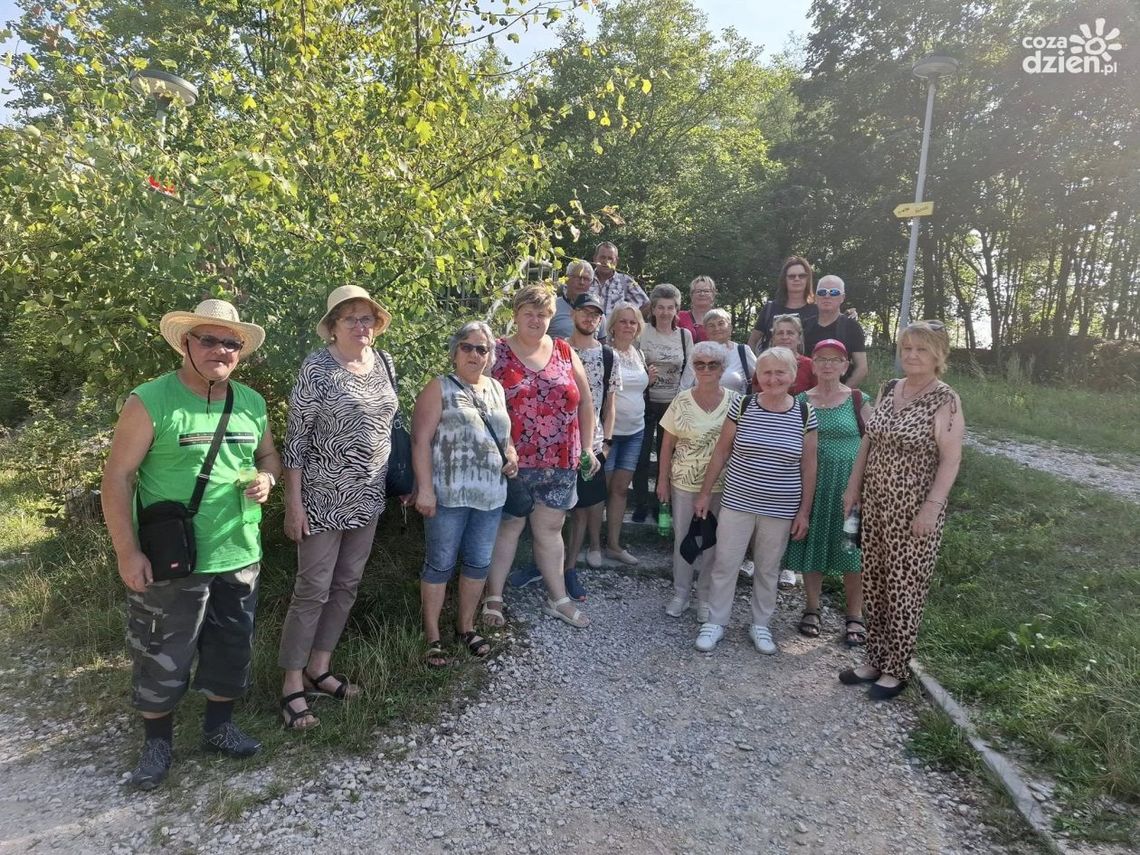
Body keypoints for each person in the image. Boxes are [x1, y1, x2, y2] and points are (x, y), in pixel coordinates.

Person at [101, 299, 280, 789]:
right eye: (208, 339)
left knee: (231, 647)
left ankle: (218, 729)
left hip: (239, 551)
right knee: (162, 650)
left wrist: (268, 478)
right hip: (171, 556)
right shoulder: (151, 400)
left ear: (239, 352)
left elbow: (269, 456)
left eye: (230, 342)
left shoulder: (251, 403)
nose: (219, 349)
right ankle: (157, 743)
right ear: (186, 343)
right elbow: (117, 478)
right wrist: (126, 551)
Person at [278, 285, 398, 730]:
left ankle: (319, 668)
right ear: (332, 327)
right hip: (322, 498)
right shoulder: (316, 368)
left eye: (366, 317)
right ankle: (291, 683)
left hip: (368, 495)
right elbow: (295, 443)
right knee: (312, 589)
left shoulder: (384, 363)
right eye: (350, 318)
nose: (361, 325)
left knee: (347, 584)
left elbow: (389, 424)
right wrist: (293, 505)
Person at [840, 321, 964, 700]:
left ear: (938, 355)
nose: (911, 355)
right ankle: (874, 659)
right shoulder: (889, 388)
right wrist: (853, 486)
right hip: (876, 504)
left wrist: (931, 508)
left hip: (913, 512)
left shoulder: (946, 400)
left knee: (904, 587)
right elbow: (869, 442)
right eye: (907, 347)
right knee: (875, 580)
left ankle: (897, 668)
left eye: (921, 349)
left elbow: (951, 460)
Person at [482, 284, 598, 629]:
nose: (535, 319)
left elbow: (587, 402)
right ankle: (494, 598)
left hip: (560, 461)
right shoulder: (497, 352)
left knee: (550, 529)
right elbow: (480, 402)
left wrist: (588, 447)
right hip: (512, 462)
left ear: (552, 317)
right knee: (508, 528)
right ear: (515, 315)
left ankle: (557, 598)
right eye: (528, 313)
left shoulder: (564, 350)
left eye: (542, 314)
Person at [693, 347, 818, 655]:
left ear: (792, 376)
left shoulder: (805, 412)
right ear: (757, 376)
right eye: (767, 372)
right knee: (726, 562)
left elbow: (809, 465)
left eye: (780, 372)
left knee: (768, 567)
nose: (773, 379)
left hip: (780, 506)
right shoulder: (743, 405)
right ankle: (716, 621)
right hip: (737, 500)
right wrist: (706, 493)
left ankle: (760, 624)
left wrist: (804, 511)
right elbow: (721, 451)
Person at [411, 321, 515, 667]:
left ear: (490, 355)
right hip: (447, 495)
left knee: (478, 563)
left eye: (481, 349)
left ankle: (466, 627)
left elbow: (504, 437)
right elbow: (420, 441)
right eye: (467, 347)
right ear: (455, 351)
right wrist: (425, 489)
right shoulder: (438, 388)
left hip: (490, 496)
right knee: (439, 564)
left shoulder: (497, 389)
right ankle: (432, 636)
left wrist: (511, 456)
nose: (474, 354)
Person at [783, 339, 871, 645]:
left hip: (851, 488)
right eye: (821, 359)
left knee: (852, 549)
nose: (828, 365)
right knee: (814, 541)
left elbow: (874, 444)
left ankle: (855, 615)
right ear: (812, 364)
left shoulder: (858, 399)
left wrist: (863, 485)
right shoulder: (800, 400)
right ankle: (812, 607)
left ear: (846, 366)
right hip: (813, 485)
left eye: (835, 359)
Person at [657, 341, 738, 619]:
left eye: (712, 364)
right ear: (693, 367)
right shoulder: (681, 400)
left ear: (722, 368)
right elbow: (666, 444)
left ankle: (704, 595)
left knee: (713, 542)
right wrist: (662, 481)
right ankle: (681, 593)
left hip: (722, 484)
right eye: (700, 364)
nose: (706, 369)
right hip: (683, 482)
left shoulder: (735, 402)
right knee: (683, 538)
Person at [563, 294, 619, 596]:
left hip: (591, 444)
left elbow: (611, 404)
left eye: (596, 314)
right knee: (550, 509)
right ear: (574, 314)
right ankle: (543, 564)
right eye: (585, 312)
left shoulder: (609, 355)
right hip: (555, 443)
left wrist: (606, 443)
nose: (590, 318)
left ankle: (569, 568)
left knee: (583, 509)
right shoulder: (556, 348)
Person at [632, 283, 694, 523]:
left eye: (670, 308)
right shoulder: (643, 331)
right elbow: (633, 360)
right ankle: (640, 503)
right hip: (646, 402)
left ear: (676, 309)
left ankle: (662, 503)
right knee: (641, 456)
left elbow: (689, 366)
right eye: (661, 307)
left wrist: (681, 395)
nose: (665, 312)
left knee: (667, 456)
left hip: (673, 402)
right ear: (653, 309)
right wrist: (645, 378)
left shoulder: (684, 335)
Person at [603, 302, 650, 565]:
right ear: (613, 325)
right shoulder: (605, 352)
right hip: (610, 432)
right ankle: (593, 545)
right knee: (603, 489)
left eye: (633, 322)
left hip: (635, 431)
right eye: (623, 321)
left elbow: (636, 387)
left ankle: (614, 545)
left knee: (621, 490)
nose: (628, 326)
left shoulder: (638, 354)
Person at [802, 275, 868, 387]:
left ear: (842, 297)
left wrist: (843, 395)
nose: (827, 296)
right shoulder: (804, 325)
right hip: (806, 396)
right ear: (816, 297)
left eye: (834, 292)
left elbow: (862, 368)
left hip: (838, 393)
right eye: (822, 292)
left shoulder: (851, 327)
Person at [747, 256, 819, 353]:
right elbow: (753, 341)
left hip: (808, 367)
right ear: (785, 280)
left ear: (808, 279)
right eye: (792, 276)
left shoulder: (817, 310)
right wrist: (755, 365)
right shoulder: (770, 308)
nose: (797, 279)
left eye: (801, 276)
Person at [589, 241, 650, 319]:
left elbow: (647, 305)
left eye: (610, 258)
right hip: (588, 329)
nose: (606, 262)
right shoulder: (584, 279)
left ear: (616, 261)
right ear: (595, 258)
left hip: (614, 331)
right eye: (602, 257)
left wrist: (631, 320)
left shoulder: (626, 281)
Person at [701, 308, 756, 394]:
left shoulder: (743, 351)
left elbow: (760, 379)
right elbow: (687, 385)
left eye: (721, 323)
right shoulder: (698, 353)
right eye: (711, 325)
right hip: (703, 406)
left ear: (730, 328)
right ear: (705, 331)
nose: (717, 328)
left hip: (736, 405)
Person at [548, 259, 599, 340]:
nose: (581, 282)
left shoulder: (597, 311)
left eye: (586, 279)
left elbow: (602, 343)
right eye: (577, 277)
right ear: (566, 279)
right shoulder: (551, 306)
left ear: (591, 283)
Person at [768, 314, 815, 396]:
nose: (785, 337)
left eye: (790, 333)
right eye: (780, 333)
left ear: (799, 339)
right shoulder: (764, 364)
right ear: (773, 339)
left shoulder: (810, 365)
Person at [676, 276, 717, 343]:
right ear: (691, 295)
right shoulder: (679, 316)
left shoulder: (719, 320)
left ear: (713, 295)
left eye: (706, 291)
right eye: (698, 291)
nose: (702, 294)